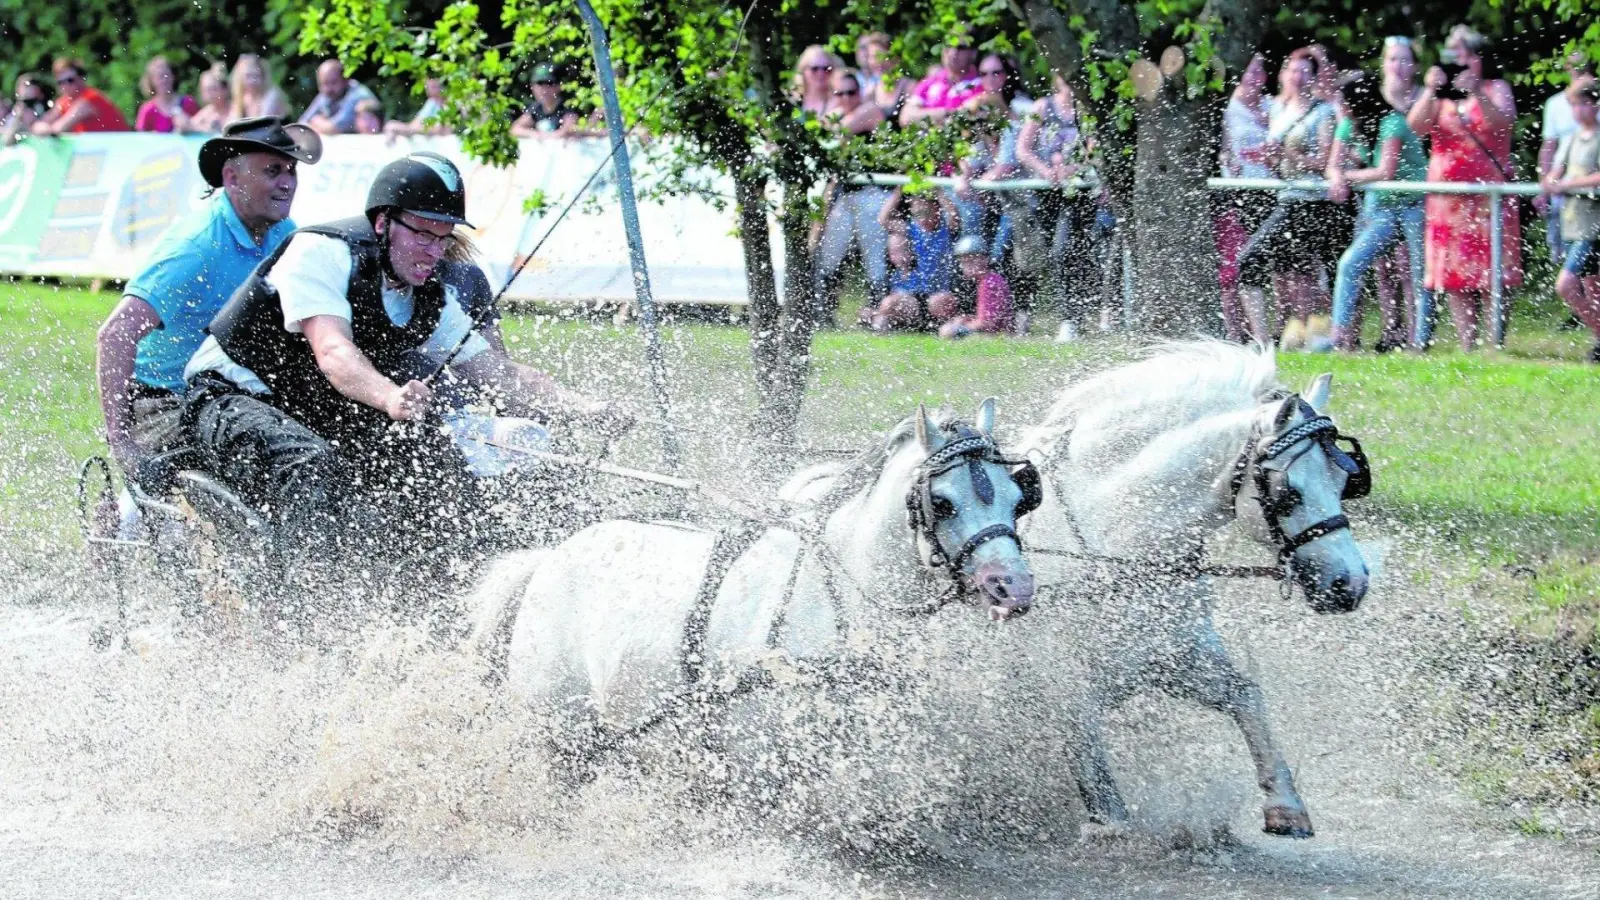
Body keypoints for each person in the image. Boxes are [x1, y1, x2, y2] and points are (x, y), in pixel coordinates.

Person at [179, 152, 625, 566]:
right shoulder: (321, 252)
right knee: (312, 467)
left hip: (306, 402)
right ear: (382, 222)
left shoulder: (432, 297)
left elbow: (499, 374)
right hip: (229, 395)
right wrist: (391, 397)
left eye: (443, 238)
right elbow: (334, 353)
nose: (433, 252)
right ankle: (306, 617)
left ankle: (430, 587)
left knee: (431, 453)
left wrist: (583, 409)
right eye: (422, 234)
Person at [96, 117, 321, 483]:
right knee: (255, 454)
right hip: (165, 400)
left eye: (291, 171)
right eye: (273, 171)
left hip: (232, 391)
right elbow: (115, 335)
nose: (288, 183)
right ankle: (134, 514)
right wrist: (122, 442)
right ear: (232, 178)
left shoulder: (283, 232)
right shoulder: (195, 247)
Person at [1408, 25, 1521, 351]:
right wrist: (1430, 91)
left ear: (1477, 58)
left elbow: (1503, 124)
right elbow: (1416, 127)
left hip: (1489, 199)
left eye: (1463, 54)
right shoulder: (1440, 96)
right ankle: (1468, 346)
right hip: (1447, 200)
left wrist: (1477, 93)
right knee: (1455, 276)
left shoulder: (1495, 88)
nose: (1457, 61)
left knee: (1492, 273)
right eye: (1451, 55)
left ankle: (1494, 343)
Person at [1327, 36, 1430, 352]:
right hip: (1385, 208)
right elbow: (1333, 164)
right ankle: (1339, 337)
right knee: (1350, 264)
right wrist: (1335, 177)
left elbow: (1385, 170)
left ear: (1359, 102)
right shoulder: (1349, 124)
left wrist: (1347, 176)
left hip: (1414, 204)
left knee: (1416, 275)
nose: (1340, 108)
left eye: (1344, 102)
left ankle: (1420, 341)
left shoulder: (1392, 123)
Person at [1233, 48, 1339, 351]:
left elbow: (1324, 161)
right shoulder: (1279, 109)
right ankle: (1274, 338)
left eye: (1305, 70)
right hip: (1286, 197)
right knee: (1292, 272)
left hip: (1311, 201)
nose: (1298, 76)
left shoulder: (1324, 112)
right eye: (1293, 69)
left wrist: (1287, 154)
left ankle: (1285, 339)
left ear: (1314, 76)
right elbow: (1279, 162)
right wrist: (1269, 159)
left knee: (1284, 268)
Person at [813, 69, 890, 323]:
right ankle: (823, 309)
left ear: (860, 92)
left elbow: (834, 134)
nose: (846, 98)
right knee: (829, 253)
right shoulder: (838, 116)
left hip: (873, 193)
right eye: (840, 93)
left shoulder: (869, 110)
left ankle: (878, 313)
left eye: (851, 92)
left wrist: (828, 119)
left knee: (874, 257)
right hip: (845, 196)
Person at [1214, 54, 1273, 342]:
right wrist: (1229, 160)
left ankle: (1268, 333)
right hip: (1237, 192)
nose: (1252, 77)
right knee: (1234, 263)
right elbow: (1223, 148)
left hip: (1269, 191)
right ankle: (1235, 334)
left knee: (1265, 264)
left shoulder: (1273, 106)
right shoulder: (1228, 108)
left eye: (1258, 71)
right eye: (1247, 71)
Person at [1542, 82, 1600, 363]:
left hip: (1594, 228)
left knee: (1566, 284)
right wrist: (1552, 181)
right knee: (1593, 289)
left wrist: (1568, 184)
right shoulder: (1572, 138)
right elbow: (1555, 171)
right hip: (1574, 224)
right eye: (1574, 105)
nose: (1578, 110)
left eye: (1583, 104)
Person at [861, 188, 955, 332]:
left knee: (943, 301)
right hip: (912, 297)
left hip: (936, 294)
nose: (921, 218)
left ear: (936, 209)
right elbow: (883, 219)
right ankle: (883, 324)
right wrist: (899, 190)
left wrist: (938, 191)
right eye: (916, 213)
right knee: (888, 304)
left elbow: (954, 217)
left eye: (925, 212)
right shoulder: (910, 229)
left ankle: (940, 329)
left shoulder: (944, 231)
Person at [1537, 52, 1595, 268]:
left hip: (1591, 203)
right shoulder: (1556, 105)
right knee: (1567, 263)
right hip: (1567, 201)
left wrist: (1567, 183)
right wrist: (1546, 184)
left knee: (1582, 272)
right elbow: (1551, 151)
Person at [934, 234, 1012, 338]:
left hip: (996, 335)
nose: (967, 264)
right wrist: (966, 319)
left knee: (946, 331)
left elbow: (986, 324)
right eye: (964, 261)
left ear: (985, 259)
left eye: (972, 260)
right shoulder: (989, 279)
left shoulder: (988, 283)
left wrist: (959, 327)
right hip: (997, 331)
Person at [899, 30, 981, 126]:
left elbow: (967, 119)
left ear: (973, 53)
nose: (953, 52)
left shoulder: (981, 82)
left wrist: (924, 115)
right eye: (949, 45)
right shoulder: (931, 81)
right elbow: (905, 118)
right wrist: (946, 113)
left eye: (960, 48)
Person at [32, 58, 129, 135]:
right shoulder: (64, 101)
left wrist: (44, 129)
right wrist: (41, 127)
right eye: (61, 82)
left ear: (82, 78)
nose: (65, 86)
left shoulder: (91, 98)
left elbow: (58, 129)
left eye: (70, 80)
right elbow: (39, 124)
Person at [298, 59, 378, 135]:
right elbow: (301, 126)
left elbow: (335, 128)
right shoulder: (325, 95)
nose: (328, 89)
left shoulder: (358, 95)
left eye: (333, 82)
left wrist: (316, 121)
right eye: (324, 84)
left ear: (345, 80)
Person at [854, 32, 912, 125]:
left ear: (895, 58)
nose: (876, 61)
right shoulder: (871, 90)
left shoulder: (908, 87)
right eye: (872, 57)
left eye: (881, 56)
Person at [511, 64, 582, 138]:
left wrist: (545, 137)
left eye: (549, 83)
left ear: (559, 86)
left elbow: (568, 131)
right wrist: (534, 134)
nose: (544, 89)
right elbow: (515, 129)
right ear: (532, 87)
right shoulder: (536, 108)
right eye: (540, 83)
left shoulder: (568, 107)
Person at [134, 56, 199, 133]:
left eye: (167, 75)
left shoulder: (189, 103)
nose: (164, 80)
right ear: (151, 81)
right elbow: (140, 140)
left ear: (173, 77)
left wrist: (190, 125)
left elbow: (201, 132)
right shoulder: (147, 110)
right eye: (159, 77)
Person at [228, 54, 291, 122]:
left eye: (256, 76)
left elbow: (262, 123)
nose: (252, 81)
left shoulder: (272, 95)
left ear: (263, 77)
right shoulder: (241, 98)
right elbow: (231, 123)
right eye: (248, 76)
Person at [384, 78, 450, 137]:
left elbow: (441, 131)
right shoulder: (431, 102)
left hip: (440, 141)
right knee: (391, 125)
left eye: (433, 87)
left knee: (393, 126)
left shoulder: (448, 104)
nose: (428, 90)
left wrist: (409, 130)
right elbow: (414, 124)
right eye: (427, 87)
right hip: (425, 134)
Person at [1, 73, 51, 146]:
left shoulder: (46, 113)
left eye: (32, 102)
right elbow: (7, 142)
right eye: (25, 102)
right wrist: (19, 117)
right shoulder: (12, 117)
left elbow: (45, 129)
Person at [792, 46, 841, 118]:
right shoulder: (793, 102)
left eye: (826, 69)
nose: (821, 73)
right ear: (803, 71)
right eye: (814, 69)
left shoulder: (842, 101)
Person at [186, 65, 232, 134]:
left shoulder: (235, 108)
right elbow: (189, 126)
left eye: (213, 89)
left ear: (225, 89)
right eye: (206, 90)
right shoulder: (208, 110)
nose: (210, 94)